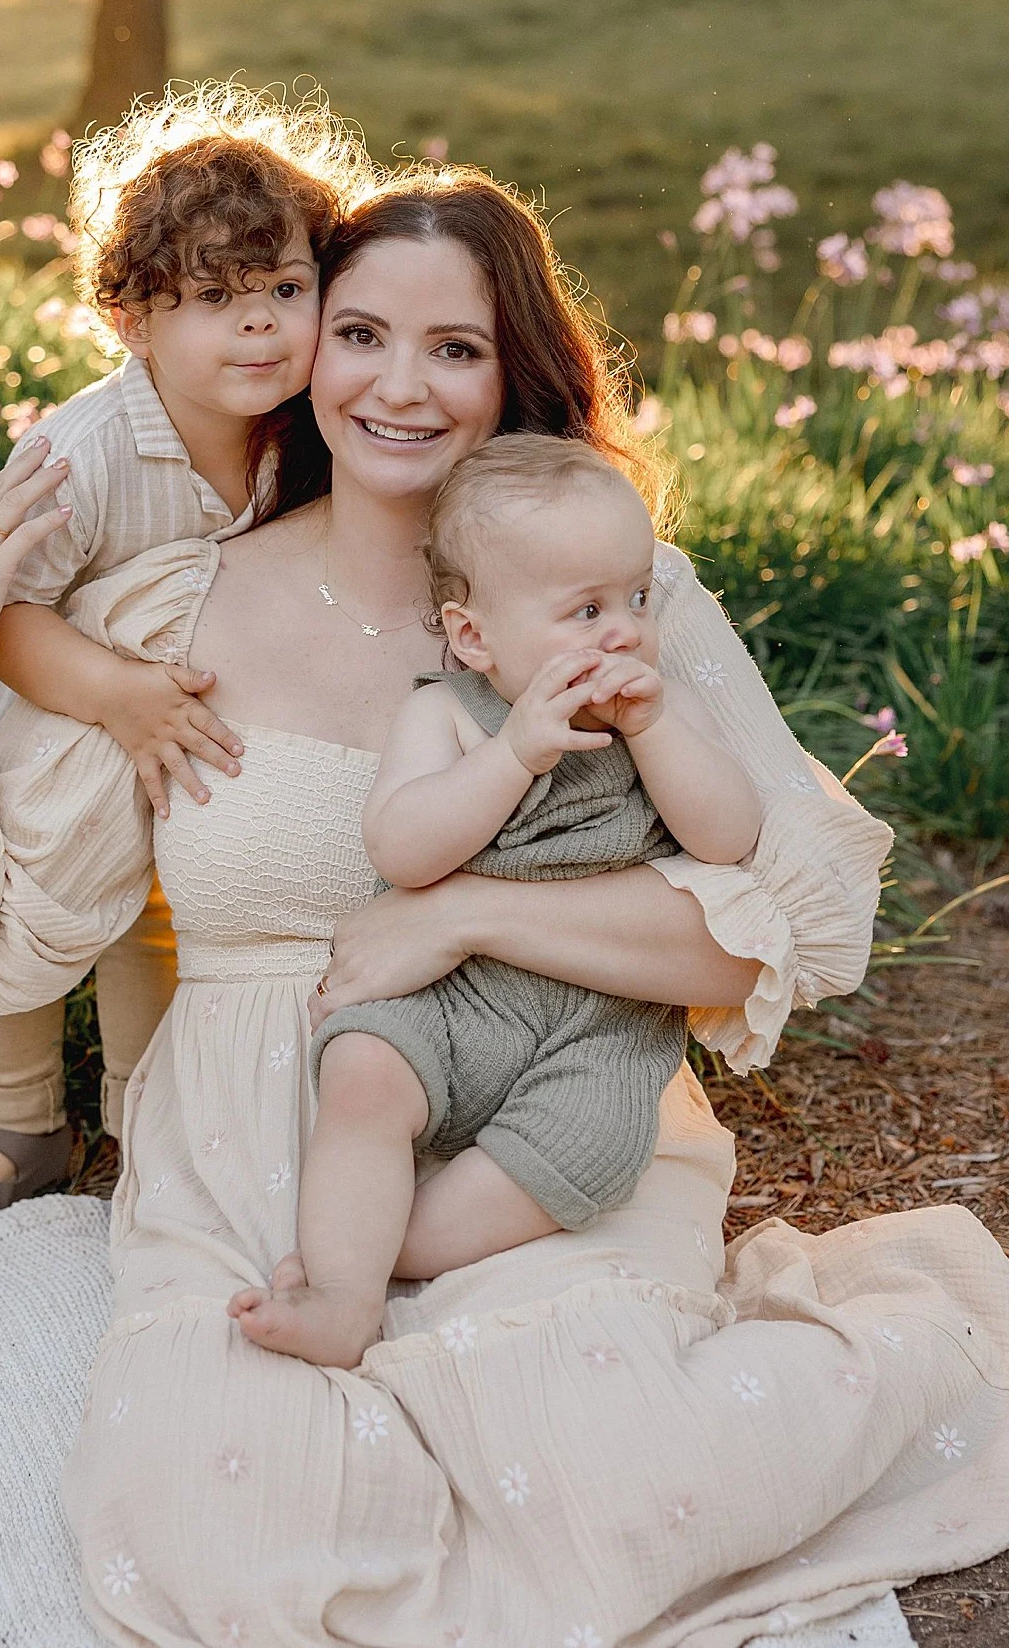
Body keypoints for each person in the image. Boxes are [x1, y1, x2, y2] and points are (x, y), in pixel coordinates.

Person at [0, 168, 1009, 1646]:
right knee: (228, 1537)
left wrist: (466, 920)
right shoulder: (169, 615)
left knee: (617, 1477)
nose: (400, 387)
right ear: (308, 346)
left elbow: (789, 926)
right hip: (256, 1127)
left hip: (548, 1094)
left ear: (515, 375)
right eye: (364, 334)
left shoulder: (616, 601)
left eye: (454, 349)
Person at [0, 85, 373, 1231]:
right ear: (131, 320)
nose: (261, 327)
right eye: (213, 300)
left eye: (287, 290)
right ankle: (20, 1119)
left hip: (181, 725)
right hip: (58, 726)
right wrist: (116, 695)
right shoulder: (83, 453)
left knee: (166, 906)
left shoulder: (305, 435)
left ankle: (147, 1116)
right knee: (29, 896)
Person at [230, 434, 761, 1367]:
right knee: (362, 1066)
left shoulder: (662, 710)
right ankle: (340, 1300)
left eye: (637, 598)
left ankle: (389, 1247)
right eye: (585, 610)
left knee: (585, 1146)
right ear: (475, 637)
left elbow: (728, 839)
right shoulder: (448, 714)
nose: (624, 631)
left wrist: (658, 728)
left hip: (603, 1024)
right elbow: (400, 846)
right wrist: (516, 753)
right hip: (455, 997)